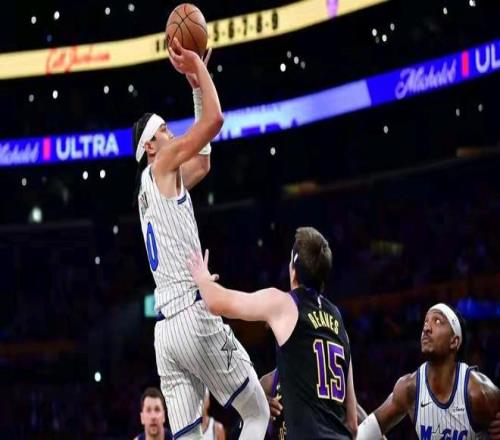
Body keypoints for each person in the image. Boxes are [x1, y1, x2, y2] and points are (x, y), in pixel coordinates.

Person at [134, 37, 269, 439]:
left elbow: (204, 162)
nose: (173, 135)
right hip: (193, 315)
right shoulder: (163, 163)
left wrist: (195, 88)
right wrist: (198, 68)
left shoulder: (150, 188)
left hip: (165, 334)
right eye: (165, 131)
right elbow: (214, 120)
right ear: (151, 146)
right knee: (257, 412)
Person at [188, 227, 358, 439]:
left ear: (293, 270)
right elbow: (352, 423)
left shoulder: (285, 304)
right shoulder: (338, 320)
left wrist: (202, 278)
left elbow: (216, 302)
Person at [357, 303, 500, 439]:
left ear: (454, 341)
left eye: (437, 321)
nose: (426, 328)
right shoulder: (409, 388)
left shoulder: (479, 392)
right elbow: (365, 433)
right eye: (425, 322)